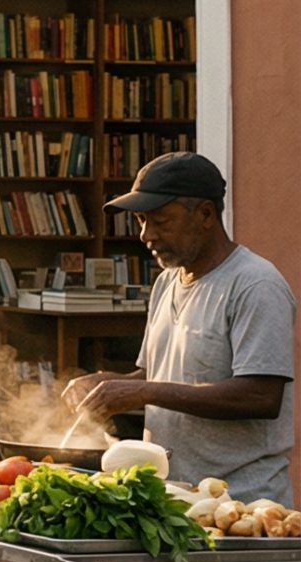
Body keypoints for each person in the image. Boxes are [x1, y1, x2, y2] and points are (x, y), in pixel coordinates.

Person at [65, 153, 294, 500]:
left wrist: (144, 392)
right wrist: (110, 384)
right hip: (172, 497)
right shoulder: (166, 282)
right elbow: (156, 376)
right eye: (141, 220)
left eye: (160, 220)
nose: (146, 235)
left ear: (205, 215)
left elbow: (261, 395)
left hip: (240, 503)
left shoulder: (256, 285)